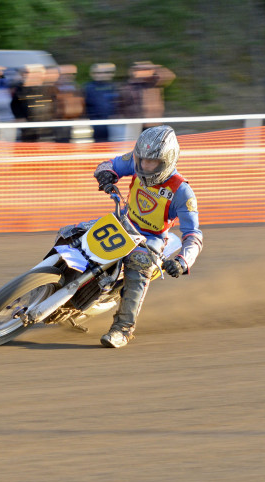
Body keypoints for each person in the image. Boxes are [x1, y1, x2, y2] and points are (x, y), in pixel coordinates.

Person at [92, 125, 203, 348]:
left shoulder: (182, 191)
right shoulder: (136, 160)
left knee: (139, 264)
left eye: (152, 162)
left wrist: (183, 262)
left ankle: (122, 329)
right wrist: (106, 174)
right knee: (74, 233)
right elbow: (109, 164)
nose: (144, 166)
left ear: (168, 160)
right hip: (121, 223)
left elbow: (193, 235)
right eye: (142, 160)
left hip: (150, 239)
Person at [119, 61, 176, 128]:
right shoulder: (128, 87)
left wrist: (154, 68)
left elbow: (169, 76)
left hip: (153, 123)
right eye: (138, 70)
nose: (141, 72)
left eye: (144, 70)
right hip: (134, 124)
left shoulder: (154, 83)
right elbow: (122, 105)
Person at [83, 62, 120, 141]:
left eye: (105, 72)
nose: (101, 75)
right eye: (98, 73)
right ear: (92, 74)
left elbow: (117, 103)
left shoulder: (113, 87)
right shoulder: (89, 88)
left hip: (114, 123)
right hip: (97, 123)